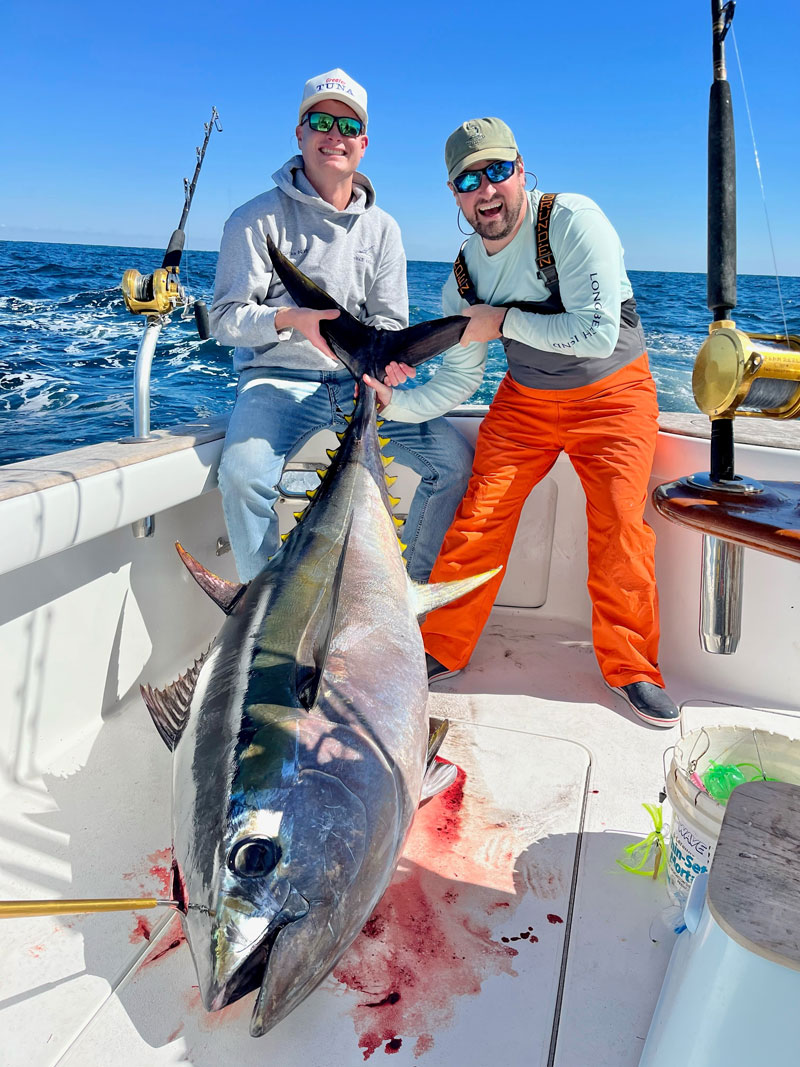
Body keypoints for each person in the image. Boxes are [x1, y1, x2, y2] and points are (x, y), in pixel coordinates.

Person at [367, 117, 679, 728]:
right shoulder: (461, 276)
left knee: (619, 525)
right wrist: (387, 404)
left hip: (613, 397)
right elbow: (457, 382)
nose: (487, 190)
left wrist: (501, 321)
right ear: (454, 194)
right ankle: (440, 645)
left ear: (522, 170)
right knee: (479, 519)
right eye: (468, 180)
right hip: (525, 402)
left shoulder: (572, 220)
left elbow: (597, 331)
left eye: (498, 171)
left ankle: (633, 667)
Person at [209, 69, 473, 583]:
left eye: (348, 127)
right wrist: (291, 319)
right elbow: (224, 319)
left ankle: (402, 598)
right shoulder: (253, 220)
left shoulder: (384, 229)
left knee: (454, 466)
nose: (336, 135)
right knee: (242, 479)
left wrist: (389, 366)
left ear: (364, 143)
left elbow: (389, 323)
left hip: (360, 384)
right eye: (322, 121)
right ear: (300, 133)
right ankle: (269, 617)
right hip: (277, 381)